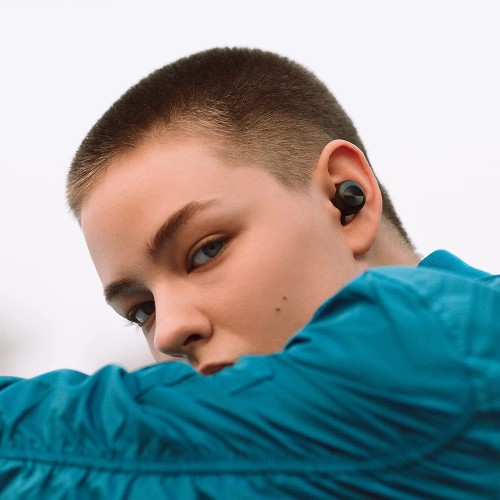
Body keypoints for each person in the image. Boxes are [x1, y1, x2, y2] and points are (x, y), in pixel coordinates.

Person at [0, 48, 498, 497]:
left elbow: (88, 447)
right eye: (142, 310)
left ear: (347, 198)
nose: (169, 333)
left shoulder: (444, 352)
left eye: (206, 251)